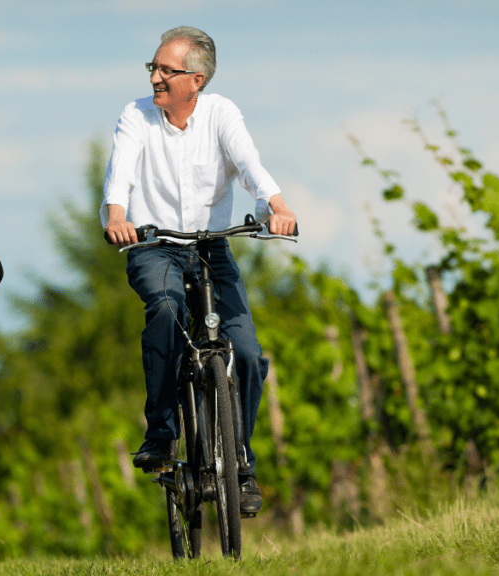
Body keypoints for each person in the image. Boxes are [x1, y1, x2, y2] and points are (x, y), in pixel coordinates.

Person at [102, 26, 297, 515]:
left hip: (212, 249)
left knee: (248, 353)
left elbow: (248, 162)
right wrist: (117, 217)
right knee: (165, 312)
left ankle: (241, 462)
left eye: (167, 70)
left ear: (198, 78)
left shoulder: (221, 114)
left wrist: (275, 204)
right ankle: (163, 433)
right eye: (154, 68)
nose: (156, 78)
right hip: (155, 248)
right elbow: (120, 172)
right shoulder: (136, 116)